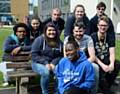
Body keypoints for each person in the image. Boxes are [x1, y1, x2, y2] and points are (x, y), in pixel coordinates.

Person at [64, 22, 99, 94]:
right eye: (76, 31)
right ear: (73, 31)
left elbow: (92, 57)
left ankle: (93, 92)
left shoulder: (88, 38)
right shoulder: (68, 39)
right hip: (71, 62)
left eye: (80, 31)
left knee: (95, 67)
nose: (78, 33)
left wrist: (83, 65)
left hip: (85, 62)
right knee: (59, 68)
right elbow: (65, 56)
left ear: (84, 31)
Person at [31, 22, 63, 94]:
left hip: (53, 64)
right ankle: (45, 92)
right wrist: (45, 63)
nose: (52, 32)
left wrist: (53, 63)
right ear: (45, 31)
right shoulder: (39, 40)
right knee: (46, 73)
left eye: (53, 30)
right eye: (49, 30)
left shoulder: (59, 42)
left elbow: (62, 55)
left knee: (59, 72)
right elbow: (34, 55)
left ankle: (57, 92)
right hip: (38, 63)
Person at [91, 15, 119, 94]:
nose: (103, 27)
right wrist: (103, 65)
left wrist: (112, 64)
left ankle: (106, 86)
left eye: (105, 25)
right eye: (101, 25)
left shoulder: (110, 37)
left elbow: (112, 53)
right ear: (97, 26)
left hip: (106, 59)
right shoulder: (92, 37)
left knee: (117, 64)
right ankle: (106, 90)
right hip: (97, 60)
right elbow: (92, 55)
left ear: (108, 26)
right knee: (98, 69)